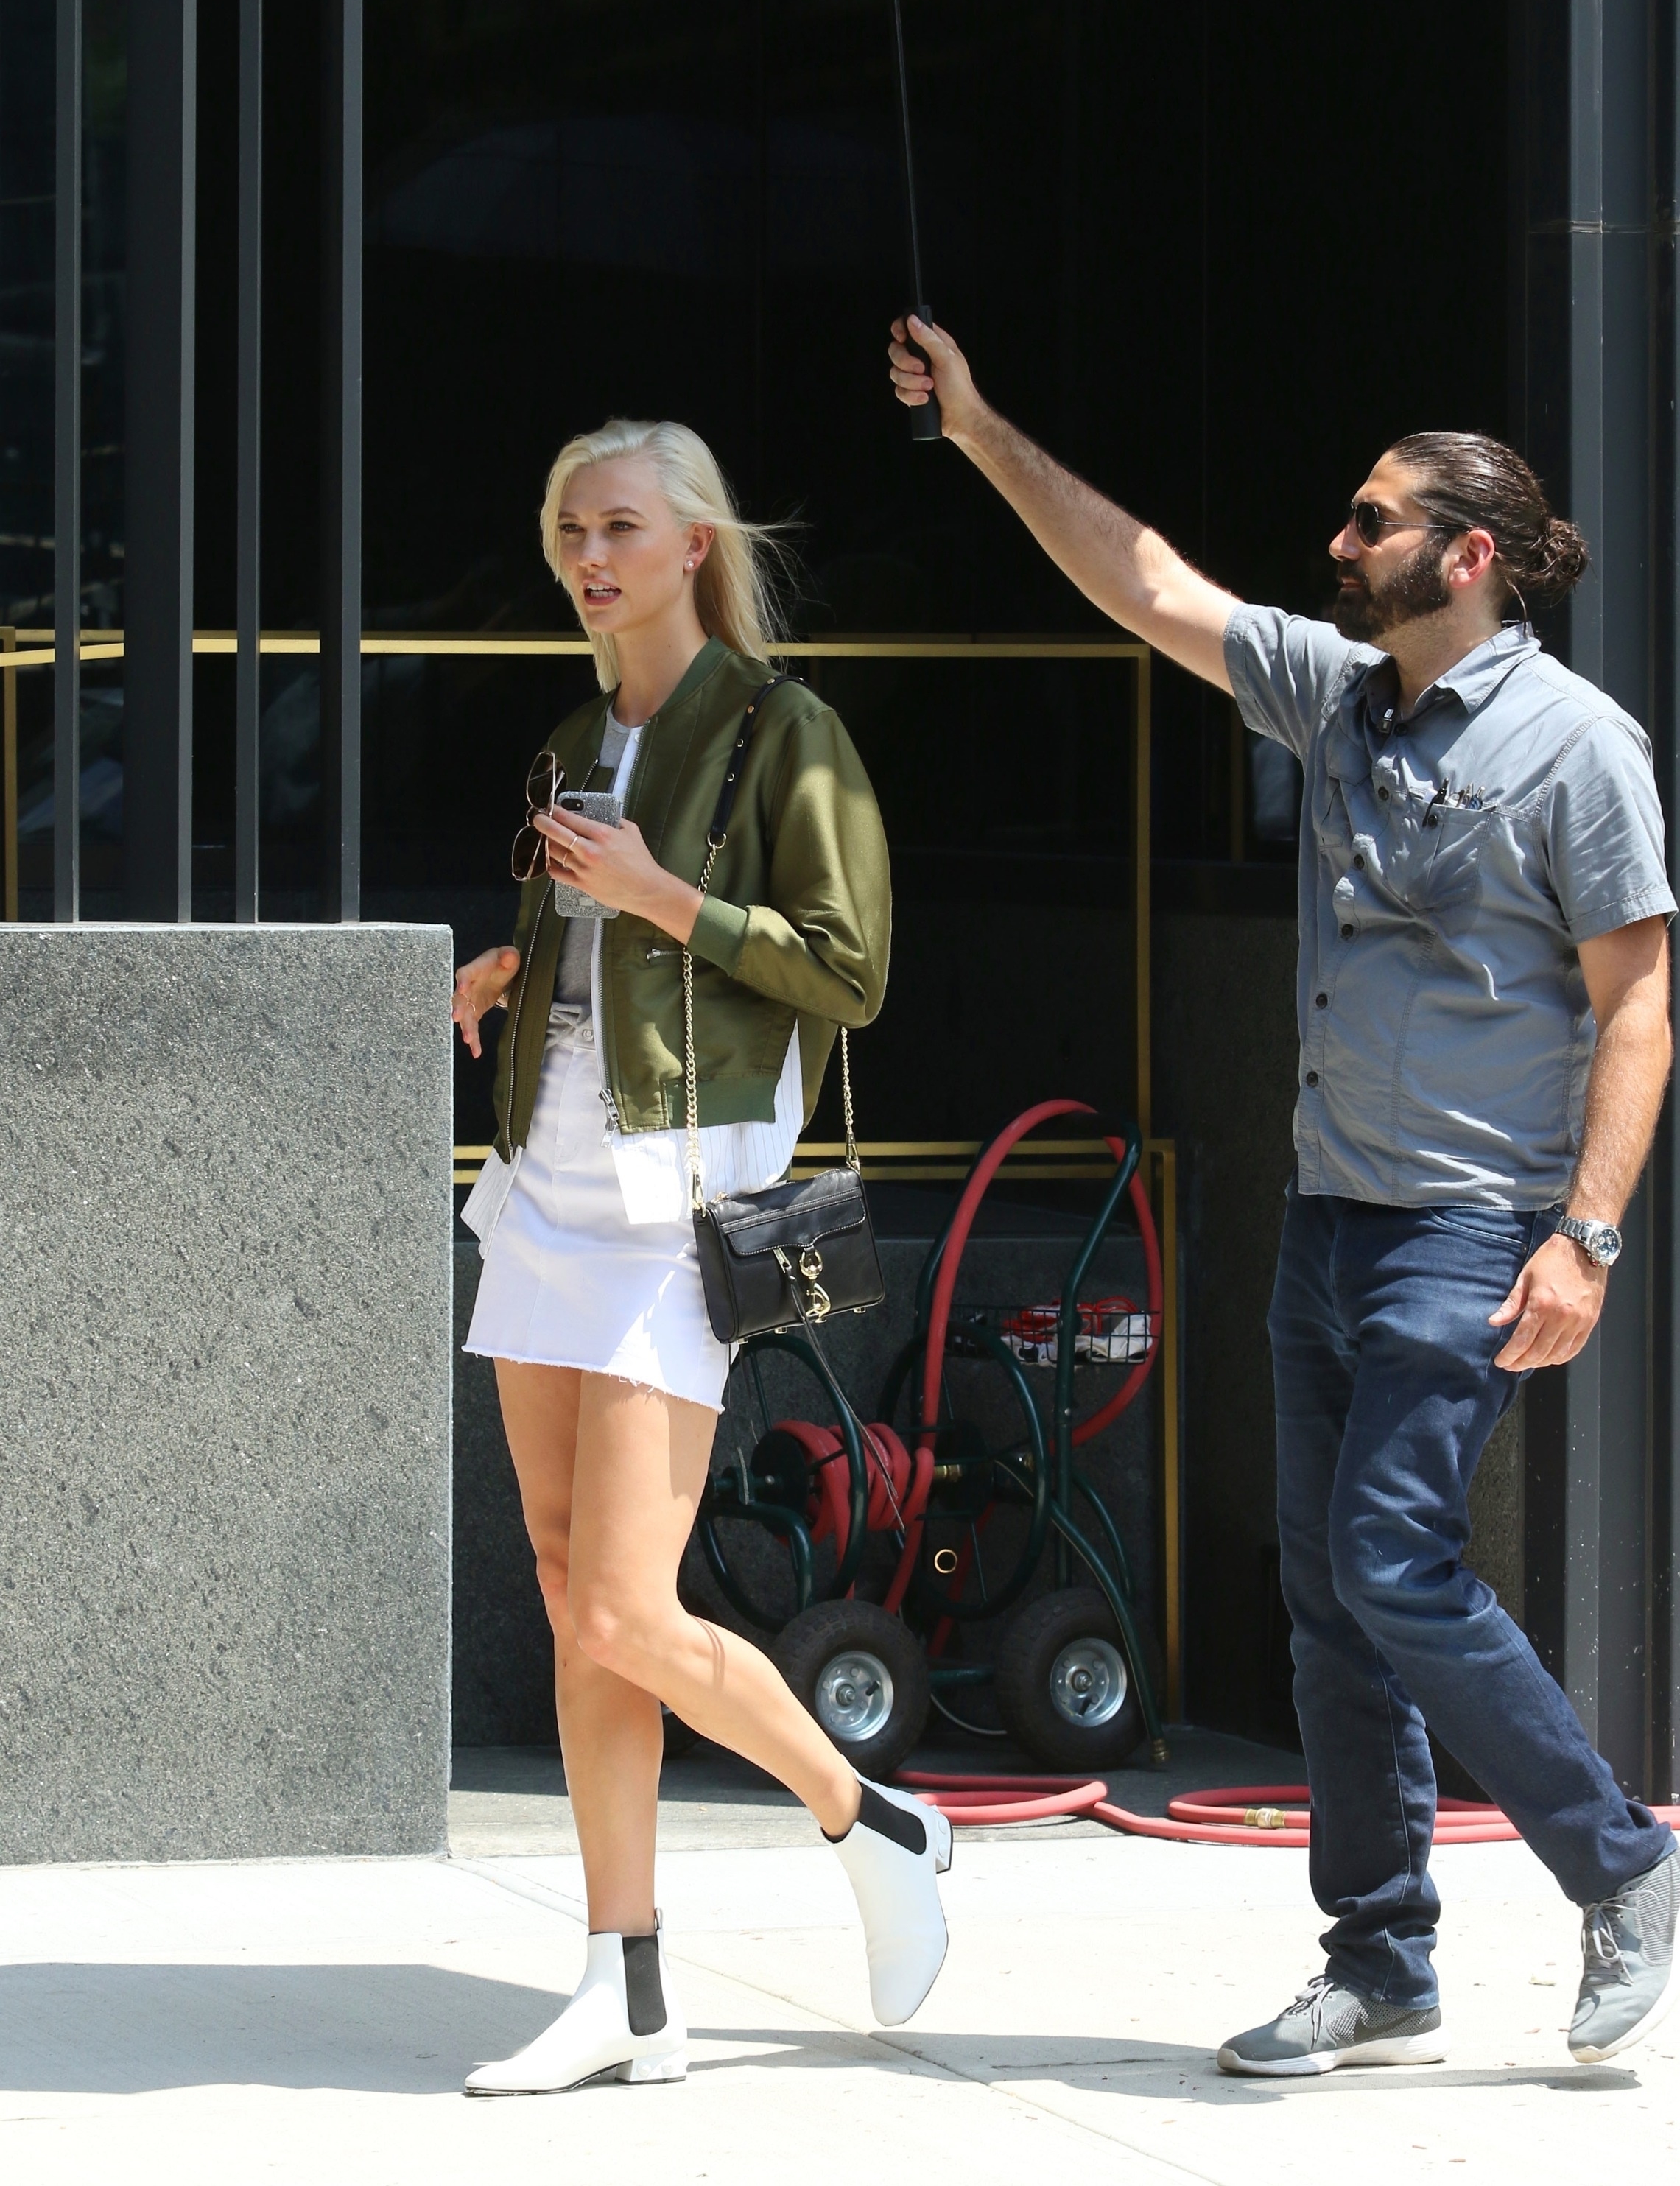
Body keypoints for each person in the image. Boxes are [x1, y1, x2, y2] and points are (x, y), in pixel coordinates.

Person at [888, 314, 1678, 2071]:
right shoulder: (1332, 693)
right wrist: (980, 425)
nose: (1338, 540)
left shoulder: (1579, 747)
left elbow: (1639, 1008)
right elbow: (1145, 582)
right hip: (1324, 1223)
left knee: (1392, 1559)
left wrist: (1587, 1237)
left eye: (1370, 519)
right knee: (1328, 1604)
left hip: (1471, 1226)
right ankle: (1381, 1962)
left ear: (1466, 557)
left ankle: (1622, 1861)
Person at [451, 417, 949, 2096]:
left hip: (672, 1207)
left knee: (620, 1602)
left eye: (618, 527)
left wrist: (667, 897)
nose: (587, 557)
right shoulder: (571, 739)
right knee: (564, 1591)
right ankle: (628, 1987)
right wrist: (513, 974)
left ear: (693, 546)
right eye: (566, 528)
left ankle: (869, 1813)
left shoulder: (781, 732)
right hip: (546, 1181)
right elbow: (600, 954)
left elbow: (849, 969)